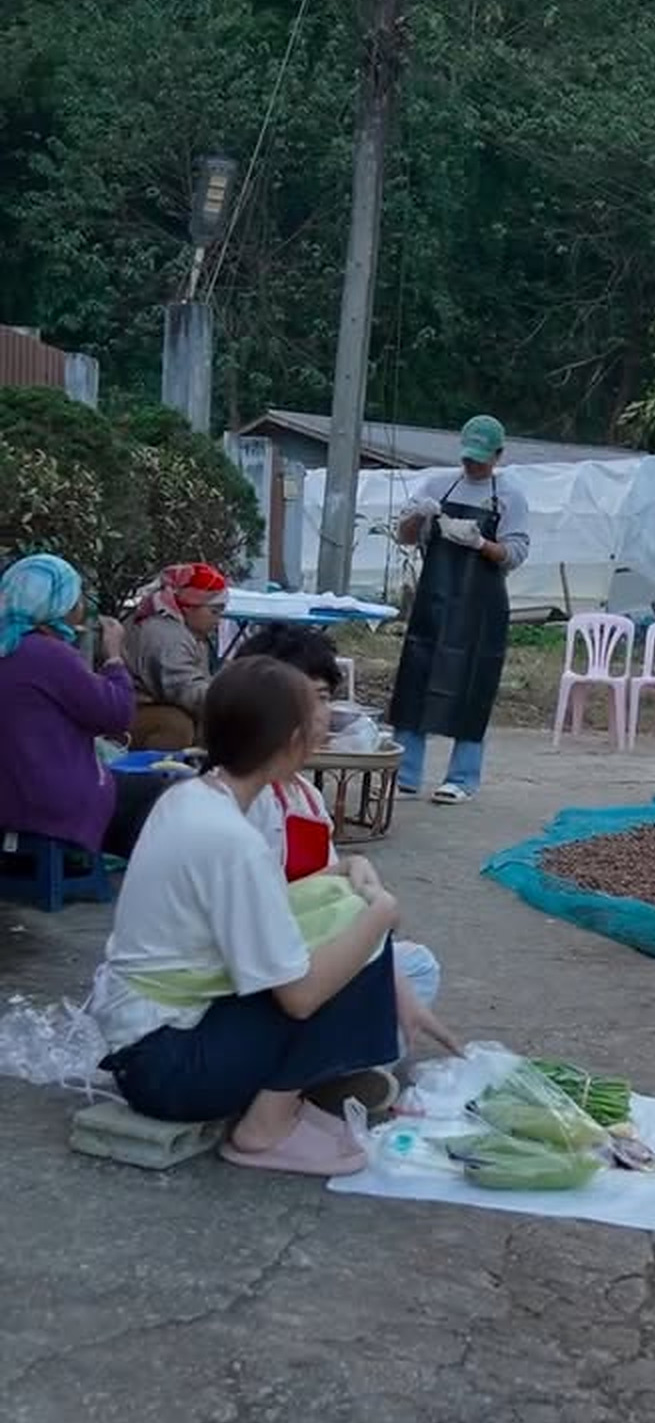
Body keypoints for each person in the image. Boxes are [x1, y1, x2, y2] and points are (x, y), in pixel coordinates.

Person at [90, 656, 402, 1177]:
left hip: (146, 1044)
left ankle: (297, 1087)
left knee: (344, 905)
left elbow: (272, 910)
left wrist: (347, 877)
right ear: (292, 741)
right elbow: (299, 997)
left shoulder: (190, 797)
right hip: (169, 1070)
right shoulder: (234, 841)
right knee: (361, 934)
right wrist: (383, 912)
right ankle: (267, 1125)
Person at [239, 621, 455, 1054]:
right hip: (261, 965)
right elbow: (258, 919)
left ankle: (346, 1055)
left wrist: (352, 878)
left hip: (301, 944)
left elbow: (334, 900)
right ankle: (318, 1067)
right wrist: (371, 905)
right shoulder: (249, 799)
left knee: (415, 968)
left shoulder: (305, 796)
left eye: (324, 697)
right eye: (306, 698)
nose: (321, 715)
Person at [389, 413, 529, 804]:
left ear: (498, 455)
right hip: (434, 601)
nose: (472, 466)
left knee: (473, 686)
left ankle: (462, 778)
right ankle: (405, 774)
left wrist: (480, 543)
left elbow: (516, 553)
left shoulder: (510, 496)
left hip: (480, 609)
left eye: (481, 460)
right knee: (416, 680)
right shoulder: (437, 485)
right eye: (468, 458)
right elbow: (404, 537)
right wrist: (418, 515)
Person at [0, 552, 164, 861]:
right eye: (75, 600)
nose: (80, 609)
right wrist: (114, 656)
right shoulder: (47, 654)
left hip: (10, 798)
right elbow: (117, 715)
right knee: (161, 794)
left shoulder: (11, 647)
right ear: (57, 606)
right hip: (46, 804)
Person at [123, 562, 227, 750]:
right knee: (178, 725)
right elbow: (183, 689)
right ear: (189, 606)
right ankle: (159, 767)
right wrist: (232, 697)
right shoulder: (165, 635)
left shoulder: (184, 632)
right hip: (127, 716)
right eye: (214, 611)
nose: (218, 621)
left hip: (140, 709)